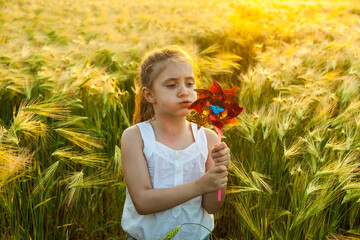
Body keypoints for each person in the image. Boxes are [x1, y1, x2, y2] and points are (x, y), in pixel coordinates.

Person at [121, 45, 231, 240]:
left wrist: (221, 174)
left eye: (190, 84)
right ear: (149, 95)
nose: (184, 92)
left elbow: (214, 205)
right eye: (172, 85)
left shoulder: (209, 138)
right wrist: (200, 185)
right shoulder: (135, 137)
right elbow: (143, 203)